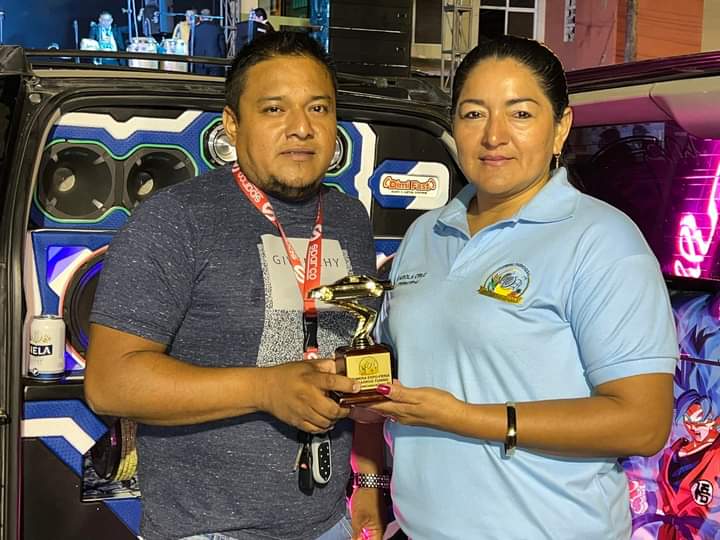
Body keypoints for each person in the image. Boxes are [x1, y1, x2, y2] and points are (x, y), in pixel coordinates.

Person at [368, 35, 678, 539]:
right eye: (474, 114)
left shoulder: (601, 240)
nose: (494, 136)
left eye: (520, 114)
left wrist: (468, 418)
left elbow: (643, 423)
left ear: (560, 128)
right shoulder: (426, 233)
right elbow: (401, 367)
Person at [85, 31, 386, 540]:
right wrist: (265, 388)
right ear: (232, 123)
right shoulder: (175, 219)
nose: (301, 128)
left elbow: (359, 365)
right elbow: (109, 383)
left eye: (318, 108)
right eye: (274, 109)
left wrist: (369, 486)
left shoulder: (350, 218)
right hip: (207, 530)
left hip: (330, 524)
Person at [192, 8, 226, 75]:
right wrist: (223, 59)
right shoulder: (218, 28)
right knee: (215, 81)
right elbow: (222, 46)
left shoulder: (195, 29)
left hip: (199, 62)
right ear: (211, 18)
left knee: (200, 81)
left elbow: (191, 46)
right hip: (215, 62)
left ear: (201, 18)